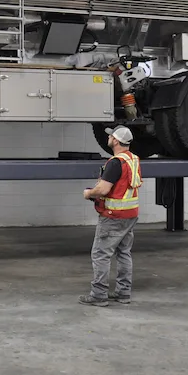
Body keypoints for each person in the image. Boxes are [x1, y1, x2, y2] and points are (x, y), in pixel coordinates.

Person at [79, 126, 142, 307]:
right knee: (123, 253)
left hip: (113, 216)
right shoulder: (133, 159)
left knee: (100, 254)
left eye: (111, 136)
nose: (108, 138)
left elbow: (104, 189)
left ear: (115, 141)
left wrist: (89, 193)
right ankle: (123, 293)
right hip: (130, 215)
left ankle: (98, 295)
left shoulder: (115, 163)